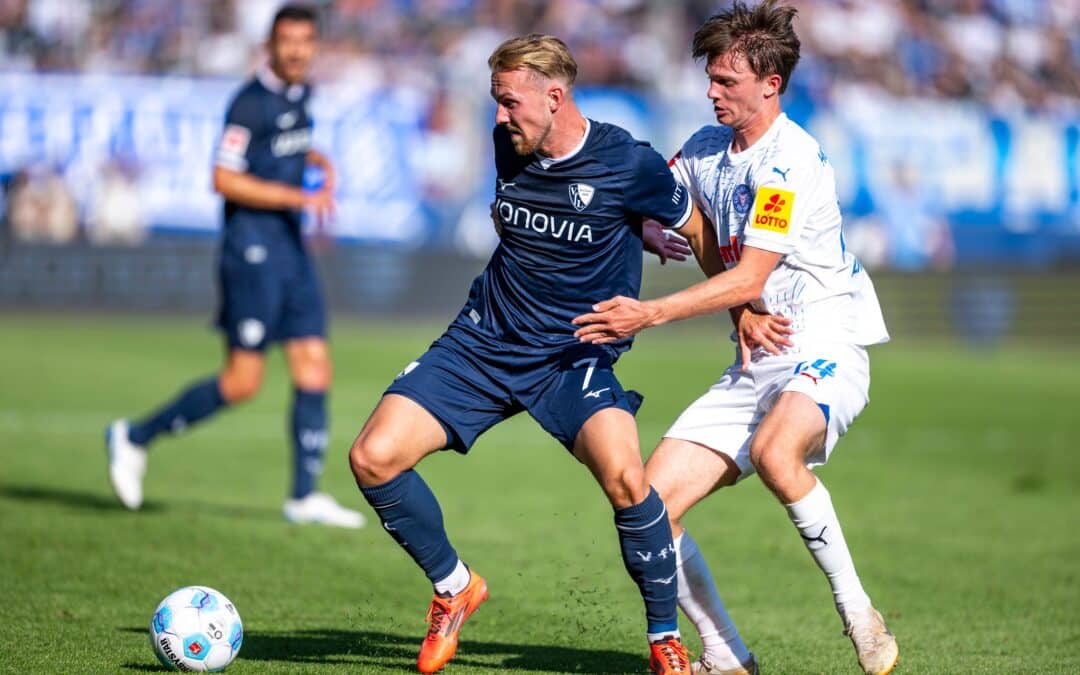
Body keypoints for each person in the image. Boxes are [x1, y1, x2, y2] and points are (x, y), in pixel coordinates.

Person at [347, 33, 724, 675]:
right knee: (372, 458)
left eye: (508, 102)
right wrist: (632, 226)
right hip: (483, 342)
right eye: (496, 102)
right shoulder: (509, 144)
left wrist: (740, 312)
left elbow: (701, 234)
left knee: (630, 482)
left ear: (555, 96)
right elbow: (542, 213)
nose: (498, 116)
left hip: (571, 358)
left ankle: (665, 639)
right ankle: (454, 587)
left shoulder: (630, 163)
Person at [572, 2, 900, 674]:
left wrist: (648, 313)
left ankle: (859, 613)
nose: (712, 91)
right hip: (757, 352)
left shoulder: (790, 162)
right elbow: (656, 206)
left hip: (824, 340)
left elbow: (751, 271)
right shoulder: (701, 149)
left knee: (777, 453)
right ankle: (725, 654)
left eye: (726, 82)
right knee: (646, 508)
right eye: (712, 78)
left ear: (769, 86)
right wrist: (644, 226)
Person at [105, 4, 364, 529]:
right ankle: (135, 436)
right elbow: (223, 179)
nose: (296, 50)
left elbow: (289, 147)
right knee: (243, 381)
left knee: (315, 364)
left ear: (314, 46)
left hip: (290, 247)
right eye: (286, 40)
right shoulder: (247, 103)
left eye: (304, 41)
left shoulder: (301, 94)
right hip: (251, 250)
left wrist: (319, 162)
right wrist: (297, 196)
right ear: (269, 44)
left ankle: (304, 495)